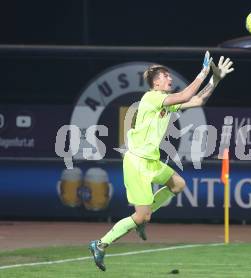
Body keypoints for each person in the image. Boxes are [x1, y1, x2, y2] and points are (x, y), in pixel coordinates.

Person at [89, 52, 234, 271]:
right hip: (137, 163)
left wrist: (216, 79)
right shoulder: (151, 97)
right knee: (139, 216)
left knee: (178, 184)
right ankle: (100, 244)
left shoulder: (164, 103)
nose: (169, 79)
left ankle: (144, 218)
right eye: (165, 76)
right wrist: (204, 71)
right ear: (156, 83)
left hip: (152, 162)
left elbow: (197, 100)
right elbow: (186, 95)